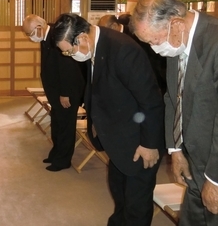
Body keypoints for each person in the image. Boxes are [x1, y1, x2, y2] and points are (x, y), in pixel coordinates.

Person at [52, 13, 164, 225]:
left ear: (83, 38)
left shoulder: (123, 50)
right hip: (117, 137)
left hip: (138, 140)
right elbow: (98, 89)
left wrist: (149, 144)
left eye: (69, 51)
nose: (69, 55)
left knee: (136, 204)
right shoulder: (95, 46)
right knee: (120, 194)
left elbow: (151, 101)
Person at [131, 0, 218, 224]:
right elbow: (173, 97)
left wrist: (215, 180)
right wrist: (175, 150)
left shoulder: (214, 42)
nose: (154, 49)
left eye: (153, 41)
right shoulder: (177, 40)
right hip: (194, 161)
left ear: (176, 23)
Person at [22, 14, 85, 172]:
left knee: (65, 126)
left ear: (38, 28)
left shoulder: (57, 37)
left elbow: (68, 68)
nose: (30, 38)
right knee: (57, 123)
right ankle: (56, 153)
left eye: (30, 34)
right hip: (56, 91)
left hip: (67, 91)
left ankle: (63, 160)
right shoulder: (46, 37)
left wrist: (65, 93)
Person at [98, 14, 167, 94]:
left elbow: (151, 57)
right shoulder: (109, 40)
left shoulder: (135, 34)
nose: (103, 35)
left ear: (114, 26)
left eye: (105, 31)